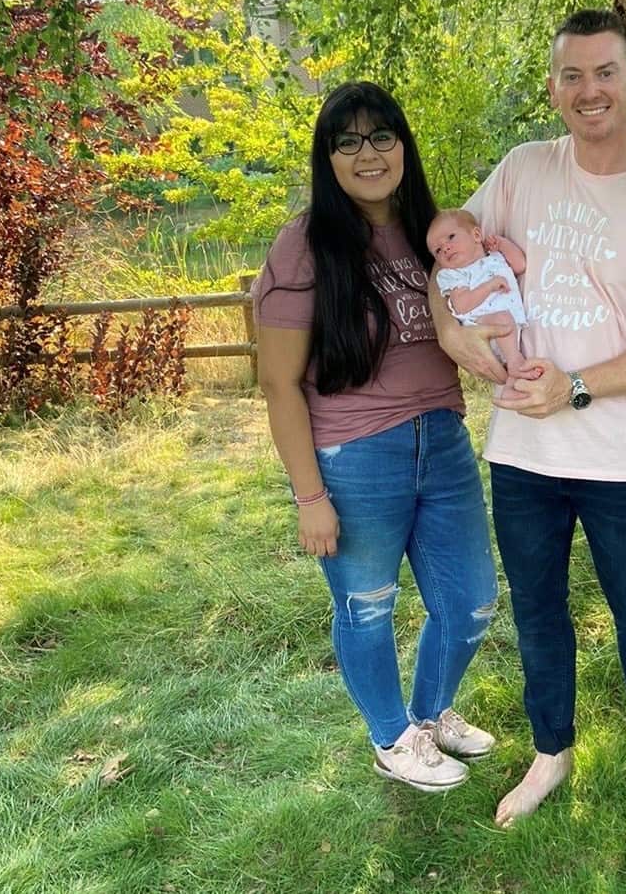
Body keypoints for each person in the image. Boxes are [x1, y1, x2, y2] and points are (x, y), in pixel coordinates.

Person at [429, 10, 626, 831]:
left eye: (603, 73)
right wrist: (455, 335)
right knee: (537, 607)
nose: (588, 90)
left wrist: (575, 387)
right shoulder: (520, 170)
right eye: (571, 76)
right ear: (553, 88)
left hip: (619, 453)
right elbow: (445, 266)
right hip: (520, 449)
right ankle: (550, 751)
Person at [254, 81, 499, 794]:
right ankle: (392, 737)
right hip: (355, 453)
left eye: (382, 135)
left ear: (404, 144)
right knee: (367, 603)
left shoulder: (432, 228)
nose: (368, 153)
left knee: (472, 601)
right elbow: (277, 382)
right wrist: (309, 495)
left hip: (443, 438)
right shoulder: (305, 244)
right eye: (348, 141)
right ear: (327, 157)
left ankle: (426, 715)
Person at [426, 209, 533, 397]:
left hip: (509, 328)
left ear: (476, 235)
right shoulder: (453, 275)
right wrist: (489, 286)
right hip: (482, 330)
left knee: (503, 320)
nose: (446, 248)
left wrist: (503, 244)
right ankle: (516, 363)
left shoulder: (495, 258)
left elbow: (520, 265)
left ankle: (513, 384)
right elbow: (462, 304)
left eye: (451, 237)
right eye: (438, 250)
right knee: (501, 319)